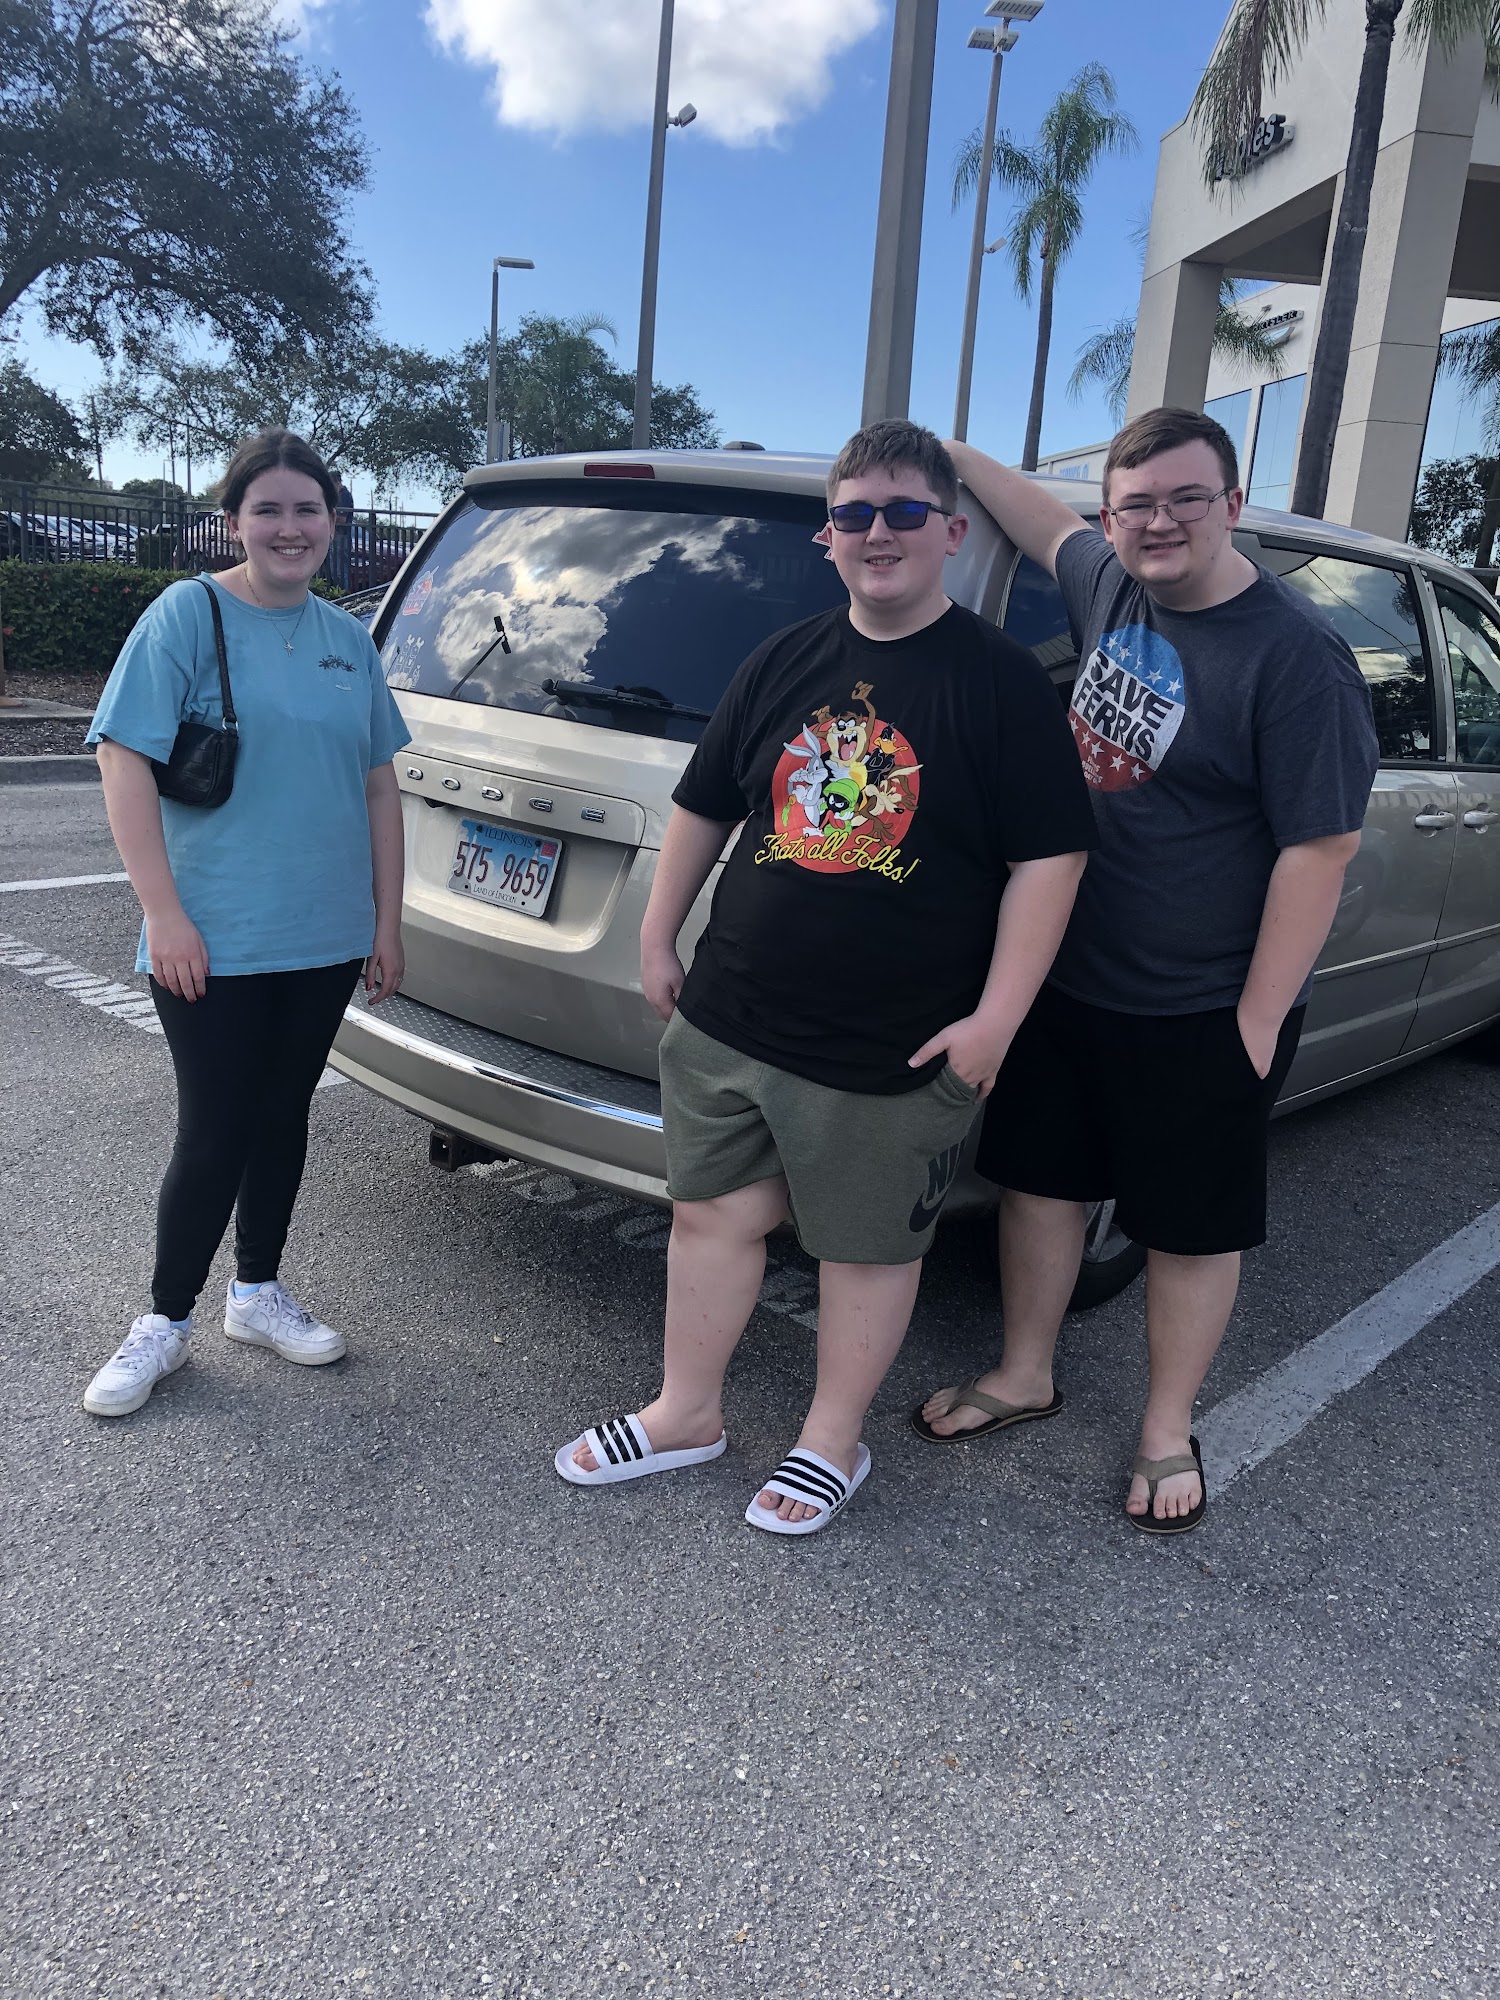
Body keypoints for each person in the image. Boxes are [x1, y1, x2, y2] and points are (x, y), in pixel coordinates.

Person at [555, 419, 1096, 1535]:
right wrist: (657, 938)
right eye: (854, 514)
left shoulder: (1002, 682)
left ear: (951, 531)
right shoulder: (781, 659)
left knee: (865, 1250)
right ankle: (685, 1413)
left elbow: (1051, 862)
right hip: (732, 1014)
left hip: (894, 1041)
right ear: (828, 537)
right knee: (708, 1217)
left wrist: (997, 1020)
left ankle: (830, 1442)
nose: (877, 532)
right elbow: (705, 805)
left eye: (903, 511)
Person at [915, 409, 1380, 1532]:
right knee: (1041, 1185)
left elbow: (1320, 850)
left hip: (1202, 1002)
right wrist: (944, 454)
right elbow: (1040, 521)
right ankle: (1025, 1372)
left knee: (1187, 1226)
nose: (1158, 522)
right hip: (1067, 976)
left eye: (1184, 499)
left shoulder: (1296, 657)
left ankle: (1168, 1428)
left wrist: (1255, 1021)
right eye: (1136, 504)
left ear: (1232, 505)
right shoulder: (1112, 584)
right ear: (1113, 515)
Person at [82, 428, 411, 1419]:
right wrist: (163, 913)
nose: (289, 527)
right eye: (267, 509)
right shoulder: (187, 615)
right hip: (211, 934)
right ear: (233, 522)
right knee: (217, 1123)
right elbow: (122, 759)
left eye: (308, 509)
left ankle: (257, 1292)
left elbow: (380, 788)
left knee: (282, 1113)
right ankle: (164, 1319)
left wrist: (386, 922)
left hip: (325, 934)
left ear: (333, 523)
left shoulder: (349, 640)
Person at [327, 469, 355, 591]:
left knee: (341, 571)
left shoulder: (344, 496)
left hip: (342, 537)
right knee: (335, 570)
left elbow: (342, 519)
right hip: (336, 536)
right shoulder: (336, 496)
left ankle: (344, 594)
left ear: (337, 482)